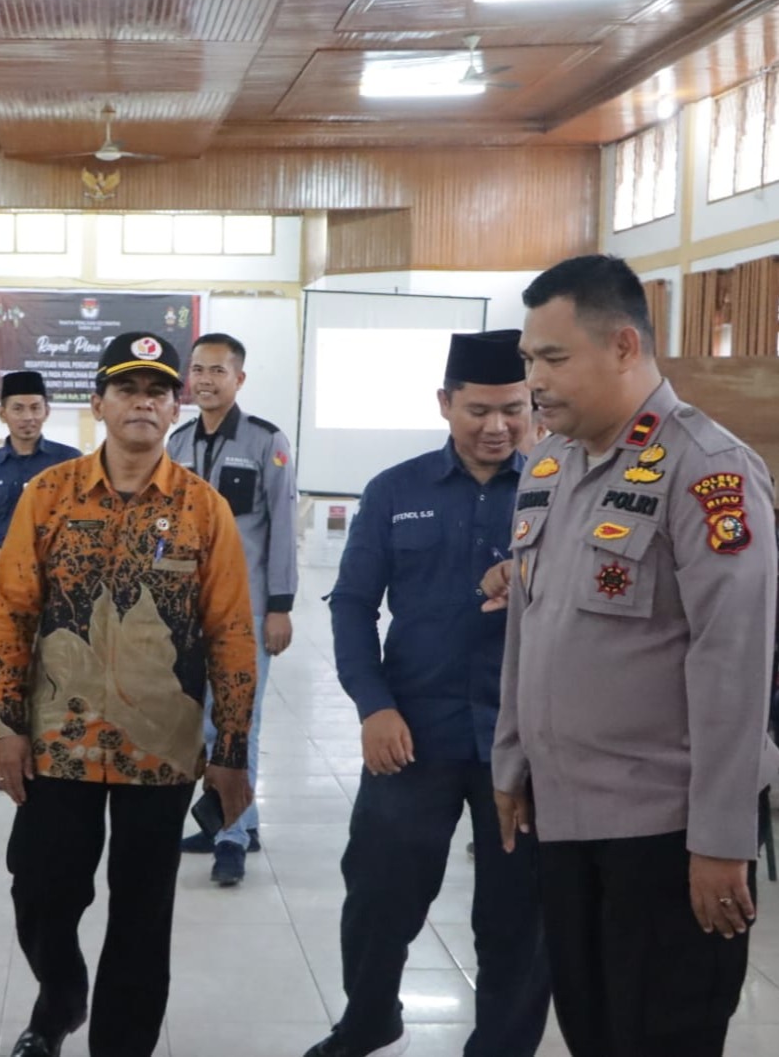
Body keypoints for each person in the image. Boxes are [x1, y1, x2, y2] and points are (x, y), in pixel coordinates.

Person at [491, 255, 777, 1057]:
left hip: (666, 831)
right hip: (567, 818)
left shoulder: (707, 471)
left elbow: (734, 662)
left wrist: (721, 839)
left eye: (553, 359)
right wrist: (511, 759)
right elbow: (528, 622)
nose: (535, 383)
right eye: (528, 360)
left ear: (623, 346)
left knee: (663, 1036)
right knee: (593, 1030)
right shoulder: (550, 465)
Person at [0, 331, 257, 1057]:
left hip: (159, 749)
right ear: (99, 403)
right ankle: (63, 990)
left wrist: (230, 751)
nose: (145, 402)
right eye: (129, 390)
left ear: (174, 407)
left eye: (158, 391)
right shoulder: (47, 496)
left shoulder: (204, 510)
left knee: (142, 917)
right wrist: (5, 727)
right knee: (40, 890)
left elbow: (231, 632)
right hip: (57, 739)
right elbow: (9, 612)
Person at [303, 331, 548, 1057]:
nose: (497, 427)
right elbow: (352, 606)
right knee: (379, 895)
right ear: (445, 404)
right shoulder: (394, 490)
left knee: (518, 915)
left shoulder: (559, 490)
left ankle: (501, 1047)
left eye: (513, 409)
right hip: (413, 732)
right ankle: (370, 1017)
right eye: (478, 410)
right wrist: (373, 705)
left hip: (525, 741)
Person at [169, 332, 298, 886]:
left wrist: (281, 607)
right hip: (187, 611)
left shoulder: (268, 442)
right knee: (200, 724)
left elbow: (284, 528)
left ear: (239, 379)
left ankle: (230, 839)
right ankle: (238, 821)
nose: (205, 380)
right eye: (197, 370)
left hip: (245, 611)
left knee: (238, 722)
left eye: (218, 371)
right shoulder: (176, 444)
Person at [0, 370, 80, 600]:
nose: (28, 417)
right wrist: (1, 557)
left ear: (47, 411)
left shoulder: (70, 462)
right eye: (18, 408)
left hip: (56, 586)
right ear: (2, 413)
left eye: (35, 408)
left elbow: (85, 520)